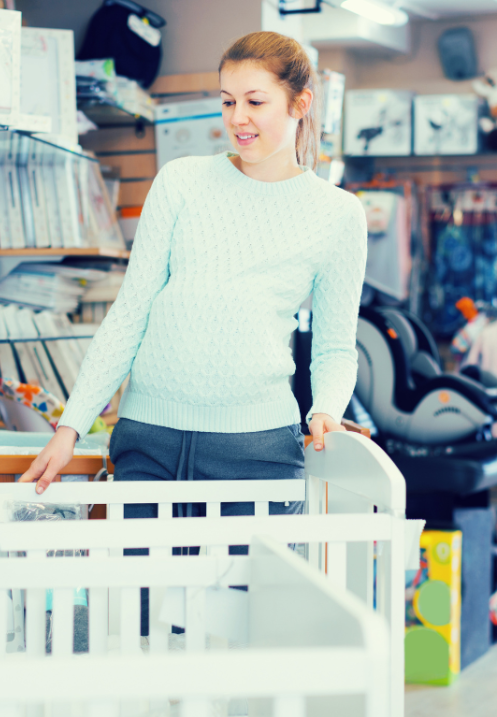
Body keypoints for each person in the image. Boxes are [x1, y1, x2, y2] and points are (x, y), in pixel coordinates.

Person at [20, 31, 367, 506]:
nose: (237, 119)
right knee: (138, 583)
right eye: (227, 102)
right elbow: (130, 314)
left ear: (299, 103)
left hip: (256, 452)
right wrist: (70, 428)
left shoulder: (339, 214)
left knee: (248, 585)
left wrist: (326, 409)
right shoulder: (180, 181)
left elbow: (334, 349)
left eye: (255, 102)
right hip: (149, 442)